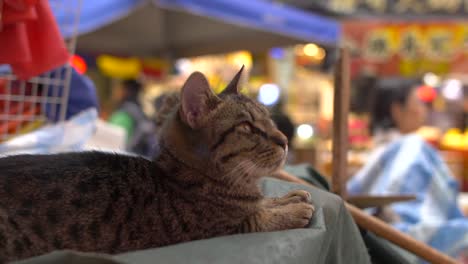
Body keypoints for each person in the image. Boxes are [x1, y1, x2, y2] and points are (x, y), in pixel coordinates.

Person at [347, 78, 468, 259]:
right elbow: (404, 218)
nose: (424, 109)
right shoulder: (411, 147)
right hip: (400, 248)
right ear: (397, 110)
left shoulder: (381, 150)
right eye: (418, 101)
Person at [108, 79, 156, 157]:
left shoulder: (124, 114)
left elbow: (111, 142)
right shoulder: (139, 110)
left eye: (119, 89)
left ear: (126, 91)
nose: (116, 92)